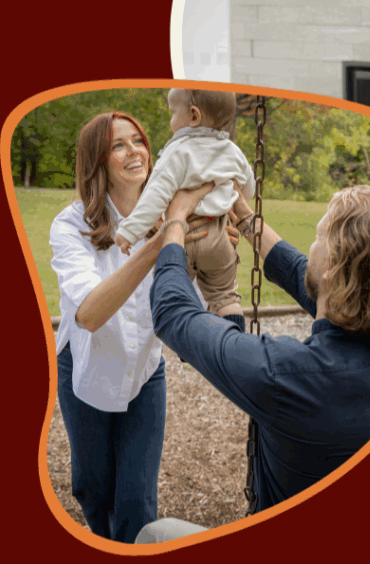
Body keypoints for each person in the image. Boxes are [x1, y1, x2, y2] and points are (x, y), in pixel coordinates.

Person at [147, 182, 370, 514]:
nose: (311, 247)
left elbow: (174, 313)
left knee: (155, 533)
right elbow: (304, 273)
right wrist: (244, 216)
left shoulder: (284, 377)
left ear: (333, 269)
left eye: (318, 236)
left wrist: (175, 223)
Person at [50, 111, 234, 542]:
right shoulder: (72, 225)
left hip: (146, 373)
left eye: (138, 141)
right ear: (97, 160)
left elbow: (192, 299)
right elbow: (92, 314)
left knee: (137, 505)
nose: (135, 151)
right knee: (92, 490)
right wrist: (162, 240)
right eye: (118, 145)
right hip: (86, 367)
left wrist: (214, 252)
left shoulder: (177, 214)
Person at [115, 89, 255, 318]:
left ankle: (187, 342)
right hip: (221, 236)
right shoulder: (232, 151)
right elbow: (247, 190)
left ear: (193, 116)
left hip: (184, 235)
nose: (171, 120)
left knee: (173, 290)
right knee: (225, 295)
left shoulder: (177, 151)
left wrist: (130, 231)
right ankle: (232, 331)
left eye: (172, 113)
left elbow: (155, 195)